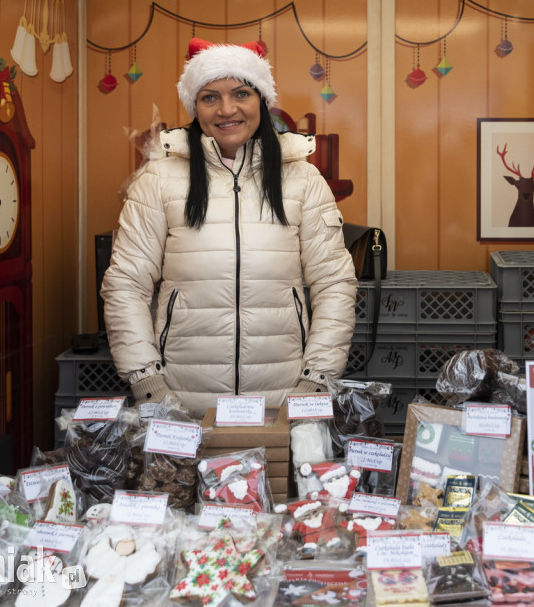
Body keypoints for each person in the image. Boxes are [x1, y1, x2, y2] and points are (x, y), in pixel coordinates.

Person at [100, 38, 357, 416]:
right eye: (209, 97)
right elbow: (126, 283)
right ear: (194, 106)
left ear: (261, 100)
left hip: (285, 400)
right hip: (181, 403)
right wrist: (147, 382)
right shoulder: (157, 180)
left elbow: (334, 284)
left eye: (240, 93)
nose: (226, 110)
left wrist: (316, 379)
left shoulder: (303, 180)